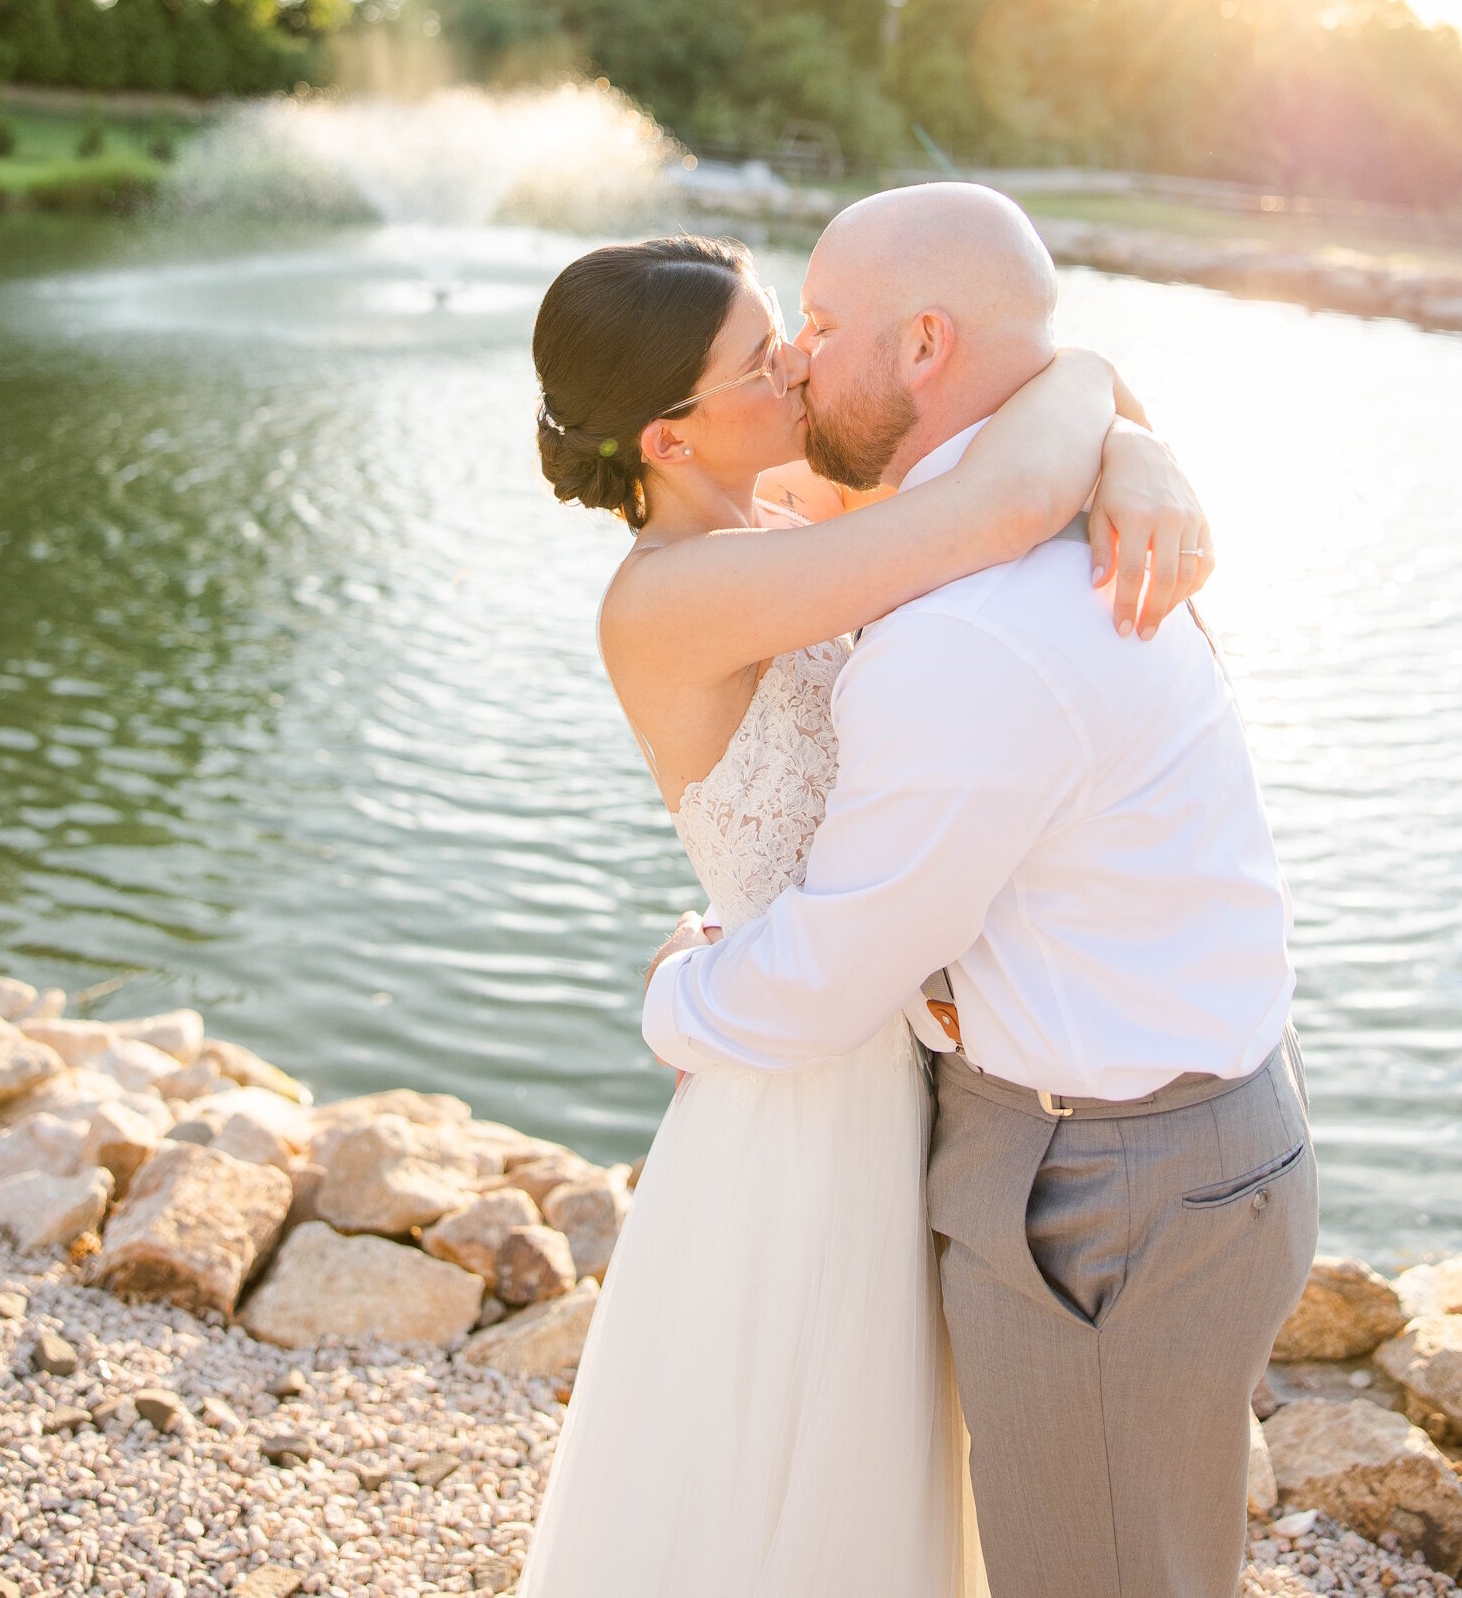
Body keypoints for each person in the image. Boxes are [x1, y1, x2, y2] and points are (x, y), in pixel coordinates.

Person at [519, 208, 1212, 1598]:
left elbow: (1009, 416)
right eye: (765, 359)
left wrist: (1133, 439)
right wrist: (1100, 407)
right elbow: (1001, 500)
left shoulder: (788, 512)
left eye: (794, 330)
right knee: (792, 1471)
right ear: (667, 437)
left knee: (894, 1465)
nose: (803, 368)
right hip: (803, 1088)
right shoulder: (666, 600)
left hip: (914, 1062)